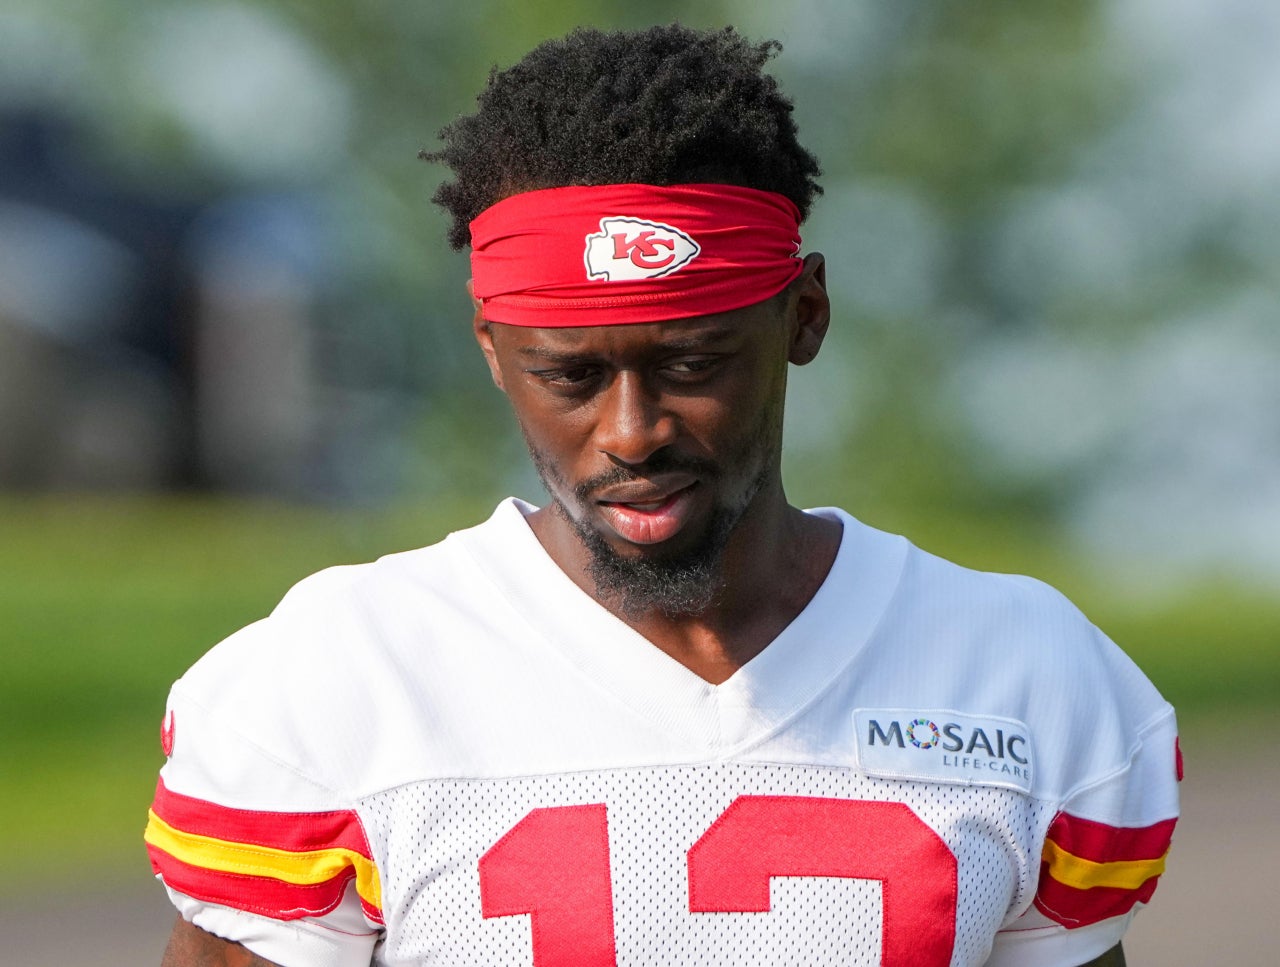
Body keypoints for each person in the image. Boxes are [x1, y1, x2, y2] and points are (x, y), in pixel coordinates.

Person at [145, 24, 1179, 967]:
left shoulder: (1021, 674)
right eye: (571, 376)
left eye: (691, 363)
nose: (632, 432)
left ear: (804, 317)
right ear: (494, 354)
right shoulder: (340, 678)